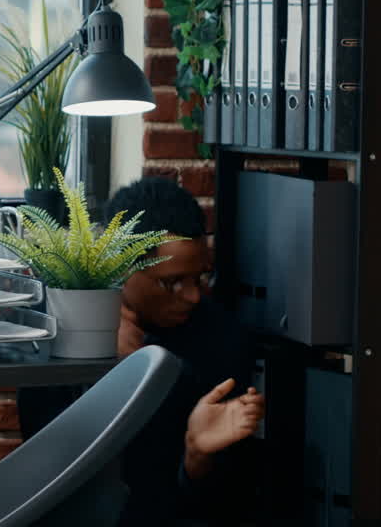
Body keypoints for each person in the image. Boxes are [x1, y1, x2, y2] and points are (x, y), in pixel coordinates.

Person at [18, 176, 264, 526]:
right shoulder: (65, 326)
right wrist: (98, 361)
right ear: (121, 265)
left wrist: (197, 457)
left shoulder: (223, 339)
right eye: (171, 282)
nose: (193, 295)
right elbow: (42, 460)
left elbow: (221, 503)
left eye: (200, 277)